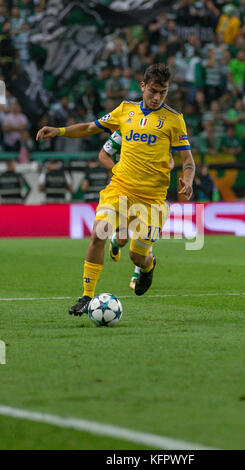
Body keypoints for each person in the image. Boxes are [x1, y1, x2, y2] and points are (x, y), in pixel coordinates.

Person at [36, 63, 195, 316]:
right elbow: (90, 127)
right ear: (142, 86)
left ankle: (148, 266)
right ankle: (87, 297)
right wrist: (60, 131)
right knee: (99, 234)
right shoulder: (125, 110)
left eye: (162, 92)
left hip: (153, 199)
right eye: (153, 91)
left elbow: (188, 161)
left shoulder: (174, 120)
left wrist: (188, 179)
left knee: (136, 255)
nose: (156, 97)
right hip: (120, 188)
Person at [99, 130, 175, 291]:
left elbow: (170, 161)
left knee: (144, 231)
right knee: (122, 239)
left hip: (147, 193)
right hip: (123, 191)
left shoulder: (156, 134)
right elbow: (103, 155)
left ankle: (138, 273)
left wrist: (162, 168)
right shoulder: (123, 132)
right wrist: (120, 174)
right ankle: (115, 240)